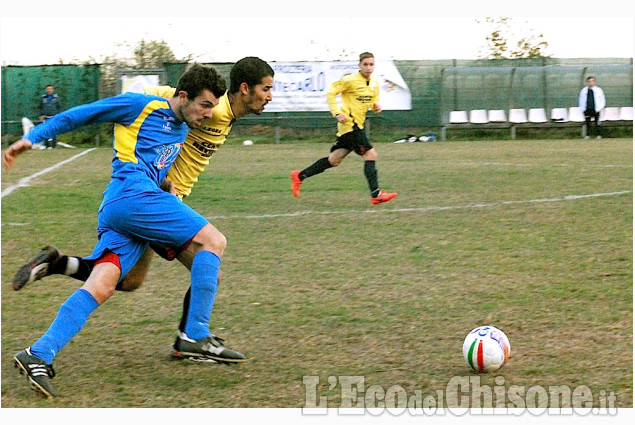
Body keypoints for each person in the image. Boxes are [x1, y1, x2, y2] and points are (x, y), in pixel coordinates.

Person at [10, 57, 274, 366]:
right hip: (141, 198)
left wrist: (166, 182)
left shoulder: (189, 124)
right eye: (266, 89)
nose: (270, 96)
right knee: (210, 248)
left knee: (122, 281)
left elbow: (166, 139)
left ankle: (43, 333)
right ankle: (193, 337)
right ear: (245, 89)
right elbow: (148, 101)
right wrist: (32, 138)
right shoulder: (175, 107)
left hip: (153, 197)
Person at [290, 52, 397, 205]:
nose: (368, 67)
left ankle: (299, 176)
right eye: (365, 64)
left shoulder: (374, 83)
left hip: (356, 126)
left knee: (334, 160)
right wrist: (337, 112)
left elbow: (374, 99)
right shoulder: (350, 80)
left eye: (371, 64)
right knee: (371, 155)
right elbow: (331, 93)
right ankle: (376, 194)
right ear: (359, 65)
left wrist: (376, 106)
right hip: (349, 125)